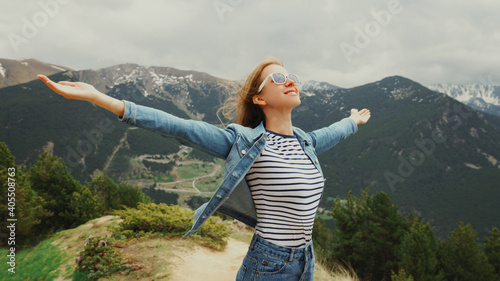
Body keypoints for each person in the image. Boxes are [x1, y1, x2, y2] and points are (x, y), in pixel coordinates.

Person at [38, 56, 370, 280]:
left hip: (306, 259)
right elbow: (179, 127)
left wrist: (353, 121)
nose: (289, 81)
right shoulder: (243, 141)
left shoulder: (305, 142)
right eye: (278, 77)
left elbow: (333, 132)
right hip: (269, 263)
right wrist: (100, 98)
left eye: (291, 76)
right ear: (259, 98)